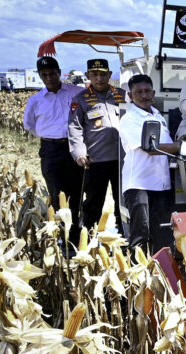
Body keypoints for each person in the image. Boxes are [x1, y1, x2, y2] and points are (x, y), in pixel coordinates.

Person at [118, 75, 186, 252]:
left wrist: (182, 140)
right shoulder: (129, 119)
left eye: (147, 91)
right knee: (141, 234)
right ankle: (138, 268)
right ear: (130, 95)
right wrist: (184, 146)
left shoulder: (157, 115)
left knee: (162, 234)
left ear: (153, 93)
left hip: (161, 185)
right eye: (138, 92)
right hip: (139, 185)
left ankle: (160, 269)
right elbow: (151, 148)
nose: (144, 96)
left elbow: (167, 145)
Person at [24, 56, 84, 239]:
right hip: (50, 150)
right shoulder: (35, 100)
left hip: (75, 147)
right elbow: (29, 125)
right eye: (44, 75)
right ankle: (62, 233)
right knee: (57, 191)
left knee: (76, 190)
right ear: (40, 76)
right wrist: (50, 135)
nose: (49, 78)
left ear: (59, 72)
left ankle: (77, 233)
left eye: (52, 73)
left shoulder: (77, 92)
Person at [68, 58, 126, 233]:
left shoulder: (122, 96)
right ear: (88, 75)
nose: (99, 78)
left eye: (103, 74)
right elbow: (75, 128)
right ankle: (88, 236)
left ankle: (124, 233)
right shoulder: (80, 99)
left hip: (122, 159)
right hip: (96, 160)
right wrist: (79, 153)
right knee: (94, 201)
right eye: (94, 74)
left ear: (110, 74)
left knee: (123, 200)